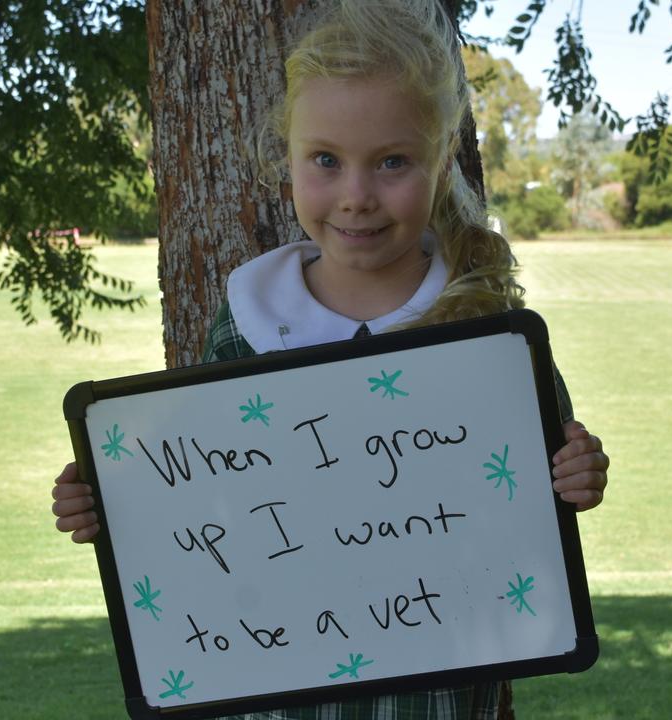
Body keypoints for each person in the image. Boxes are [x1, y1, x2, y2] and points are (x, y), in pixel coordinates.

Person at [52, 0, 610, 717]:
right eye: (325, 160)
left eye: (392, 162)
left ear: (441, 160)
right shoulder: (247, 327)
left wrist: (579, 473)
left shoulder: (485, 328)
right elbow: (189, 504)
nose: (356, 197)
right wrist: (106, 501)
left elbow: (547, 478)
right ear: (285, 160)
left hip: (437, 694)